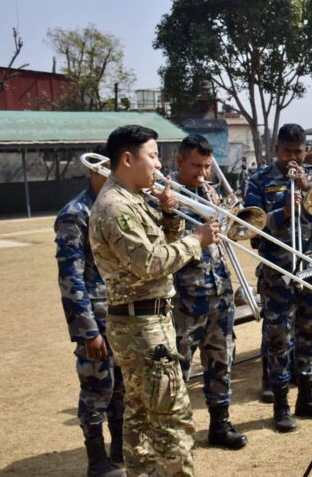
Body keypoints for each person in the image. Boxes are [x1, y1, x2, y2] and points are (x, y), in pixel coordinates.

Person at [90, 124, 220, 476]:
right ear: (127, 159)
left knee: (140, 418)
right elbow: (150, 263)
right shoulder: (117, 207)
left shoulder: (133, 199)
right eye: (153, 156)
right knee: (171, 419)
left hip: (145, 320)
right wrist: (197, 240)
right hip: (142, 326)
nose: (159, 165)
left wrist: (170, 215)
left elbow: (160, 247)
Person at [244, 123, 312, 432]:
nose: (293, 158)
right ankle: (281, 404)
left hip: (311, 266)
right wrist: (282, 213)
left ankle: (307, 397)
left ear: (306, 150)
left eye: (299, 151)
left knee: (310, 332)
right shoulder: (259, 180)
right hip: (278, 271)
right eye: (287, 152)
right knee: (279, 337)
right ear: (276, 149)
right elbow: (252, 227)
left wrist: (308, 189)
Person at [170, 135, 247, 450]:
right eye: (196, 166)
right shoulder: (165, 195)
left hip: (219, 293)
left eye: (207, 166)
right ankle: (177, 432)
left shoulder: (209, 192)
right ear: (179, 162)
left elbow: (230, 236)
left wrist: (222, 214)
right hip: (184, 300)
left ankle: (220, 425)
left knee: (220, 360)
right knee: (179, 368)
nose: (202, 173)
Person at [55, 150, 125, 477]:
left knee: (121, 386)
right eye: (110, 168)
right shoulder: (75, 214)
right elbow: (70, 278)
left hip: (123, 314)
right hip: (96, 318)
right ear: (97, 170)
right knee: (97, 389)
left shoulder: (118, 208)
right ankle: (97, 461)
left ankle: (120, 447)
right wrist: (87, 331)